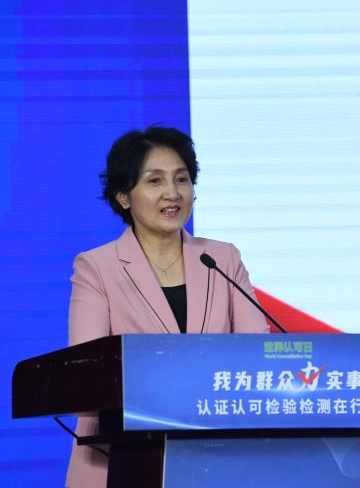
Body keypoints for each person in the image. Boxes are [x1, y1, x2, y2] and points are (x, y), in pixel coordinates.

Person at [65, 126, 270, 487]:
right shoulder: (97, 267)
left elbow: (258, 356)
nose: (173, 193)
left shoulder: (222, 258)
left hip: (217, 458)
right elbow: (86, 376)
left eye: (182, 179)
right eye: (155, 181)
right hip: (121, 459)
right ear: (123, 196)